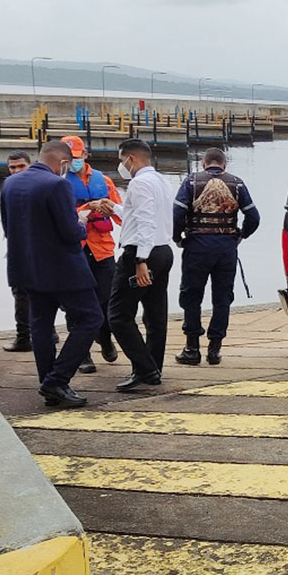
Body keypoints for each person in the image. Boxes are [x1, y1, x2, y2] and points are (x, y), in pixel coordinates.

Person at [0, 141, 103, 408]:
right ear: (63, 162)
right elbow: (70, 233)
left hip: (26, 267)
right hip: (63, 268)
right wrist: (81, 223)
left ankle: (48, 383)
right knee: (91, 318)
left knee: (41, 325)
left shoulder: (10, 184)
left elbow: (8, 228)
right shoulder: (58, 185)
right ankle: (57, 380)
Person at [172, 147, 259, 365]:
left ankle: (192, 348)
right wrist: (240, 235)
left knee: (191, 296)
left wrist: (178, 238)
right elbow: (254, 217)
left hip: (197, 247)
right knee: (222, 298)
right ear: (224, 164)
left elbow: (177, 213)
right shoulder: (237, 184)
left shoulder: (191, 182)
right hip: (226, 249)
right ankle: (214, 349)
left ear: (204, 163)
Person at [105, 138, 174, 391]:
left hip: (141, 253)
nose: (121, 165)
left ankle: (145, 368)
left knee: (118, 315)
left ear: (131, 159)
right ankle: (153, 367)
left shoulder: (138, 183)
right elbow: (141, 216)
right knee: (155, 314)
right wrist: (113, 207)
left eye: (121, 159)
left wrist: (140, 260)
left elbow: (145, 223)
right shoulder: (161, 181)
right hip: (163, 250)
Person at [60, 136, 122, 373]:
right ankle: (82, 354)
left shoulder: (103, 181)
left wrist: (109, 206)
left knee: (106, 302)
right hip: (73, 250)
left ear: (85, 155)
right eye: (67, 158)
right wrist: (88, 208)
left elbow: (120, 214)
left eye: (75, 157)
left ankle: (105, 339)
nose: (72, 162)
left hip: (102, 250)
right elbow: (60, 216)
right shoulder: (59, 183)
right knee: (73, 304)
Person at [3, 150, 34, 352]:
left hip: (38, 249)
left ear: (30, 165)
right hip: (18, 248)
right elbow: (5, 220)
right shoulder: (7, 186)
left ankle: (27, 337)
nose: (17, 171)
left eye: (21, 166)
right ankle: (24, 336)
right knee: (21, 294)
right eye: (13, 167)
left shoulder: (40, 186)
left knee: (29, 293)